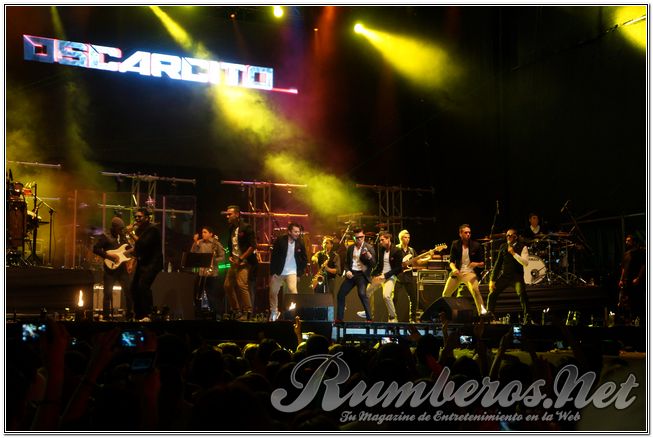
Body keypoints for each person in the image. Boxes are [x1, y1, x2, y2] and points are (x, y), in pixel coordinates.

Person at [441, 224, 487, 316]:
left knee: (476, 290)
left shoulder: (476, 245)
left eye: (469, 232)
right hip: (458, 272)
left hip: (470, 273)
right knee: (446, 294)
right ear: (460, 234)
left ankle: (482, 314)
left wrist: (476, 264)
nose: (468, 234)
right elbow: (451, 261)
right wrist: (454, 269)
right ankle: (443, 314)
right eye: (466, 232)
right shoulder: (455, 244)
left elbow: (483, 264)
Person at [92, 216, 133, 320]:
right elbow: (95, 249)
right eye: (120, 228)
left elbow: (129, 249)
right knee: (107, 294)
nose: (121, 230)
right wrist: (109, 256)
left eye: (122, 229)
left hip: (122, 270)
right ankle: (106, 316)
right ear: (114, 227)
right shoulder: (106, 236)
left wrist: (134, 253)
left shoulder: (123, 237)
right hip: (110, 270)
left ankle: (129, 315)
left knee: (128, 292)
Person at [487, 229, 531, 324]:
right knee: (492, 293)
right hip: (505, 276)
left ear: (515, 236)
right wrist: (492, 280)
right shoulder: (503, 246)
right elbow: (498, 264)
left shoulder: (522, 247)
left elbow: (525, 263)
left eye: (510, 235)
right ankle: (489, 316)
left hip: (517, 276)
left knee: (522, 293)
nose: (508, 237)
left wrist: (513, 253)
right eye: (507, 235)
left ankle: (527, 317)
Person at [268, 222, 308, 321]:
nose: (297, 234)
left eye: (298, 232)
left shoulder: (300, 242)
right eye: (295, 232)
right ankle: (274, 312)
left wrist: (299, 273)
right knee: (273, 292)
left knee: (293, 292)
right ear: (289, 232)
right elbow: (274, 257)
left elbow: (304, 259)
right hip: (279, 271)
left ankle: (294, 313)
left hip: (292, 272)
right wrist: (272, 273)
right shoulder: (280, 240)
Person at [335, 228, 376, 322]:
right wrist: (347, 271)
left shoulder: (369, 248)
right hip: (352, 274)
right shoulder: (351, 248)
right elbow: (346, 263)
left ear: (364, 237)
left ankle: (369, 318)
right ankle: (339, 319)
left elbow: (373, 264)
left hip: (362, 275)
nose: (359, 239)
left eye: (361, 237)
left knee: (362, 294)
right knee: (340, 294)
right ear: (354, 238)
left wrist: (369, 257)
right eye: (357, 238)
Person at [130, 207, 163, 322]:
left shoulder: (153, 229)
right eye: (136, 217)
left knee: (143, 286)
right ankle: (139, 314)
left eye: (139, 216)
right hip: (143, 262)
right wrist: (132, 261)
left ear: (147, 218)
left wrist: (130, 233)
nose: (137, 218)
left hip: (153, 263)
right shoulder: (139, 230)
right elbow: (138, 248)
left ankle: (148, 314)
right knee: (134, 287)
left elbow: (143, 243)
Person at [224, 205, 256, 320]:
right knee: (227, 285)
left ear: (237, 214)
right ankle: (236, 310)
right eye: (227, 214)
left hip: (244, 262)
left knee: (242, 285)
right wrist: (230, 256)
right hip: (235, 261)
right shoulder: (231, 228)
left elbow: (253, 246)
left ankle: (248, 312)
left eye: (230, 214)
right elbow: (232, 245)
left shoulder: (246, 227)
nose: (227, 216)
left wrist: (242, 258)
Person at [363, 232, 403, 322]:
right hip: (380, 276)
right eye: (380, 240)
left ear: (388, 239)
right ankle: (368, 313)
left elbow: (398, 268)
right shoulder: (381, 249)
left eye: (382, 240)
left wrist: (385, 275)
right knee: (367, 292)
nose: (380, 242)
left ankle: (393, 317)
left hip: (390, 276)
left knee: (386, 296)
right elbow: (379, 264)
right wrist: (372, 274)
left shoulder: (397, 251)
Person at [190, 226, 226, 315]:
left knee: (212, 295)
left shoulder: (216, 243)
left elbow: (223, 257)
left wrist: (213, 261)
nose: (203, 234)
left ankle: (216, 314)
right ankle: (198, 312)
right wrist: (195, 242)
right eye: (202, 232)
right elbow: (193, 253)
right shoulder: (199, 242)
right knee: (198, 294)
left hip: (212, 274)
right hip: (202, 273)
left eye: (205, 232)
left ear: (211, 234)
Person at [394, 229, 428, 322]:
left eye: (408, 237)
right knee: (394, 298)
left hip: (408, 276)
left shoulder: (411, 250)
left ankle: (412, 319)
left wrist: (429, 257)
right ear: (401, 238)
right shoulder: (395, 249)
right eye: (405, 237)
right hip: (397, 276)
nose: (407, 239)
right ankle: (392, 317)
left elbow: (418, 261)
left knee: (413, 298)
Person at [618, 234, 646, 325]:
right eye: (626, 241)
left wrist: (638, 278)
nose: (627, 242)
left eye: (629, 240)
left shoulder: (640, 252)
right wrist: (621, 280)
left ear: (634, 242)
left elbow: (643, 265)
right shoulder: (626, 254)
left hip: (636, 280)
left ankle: (639, 321)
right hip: (627, 280)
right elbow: (623, 268)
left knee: (637, 300)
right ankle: (630, 320)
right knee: (627, 301)